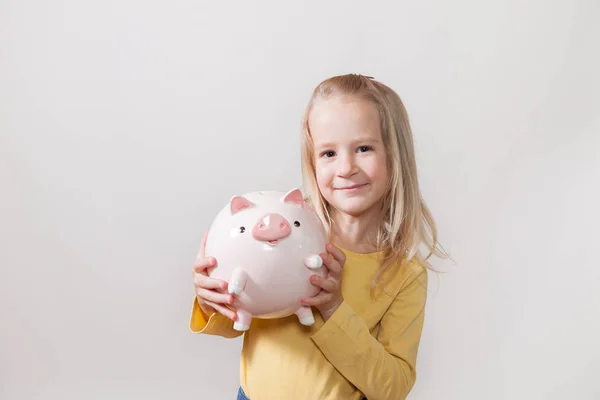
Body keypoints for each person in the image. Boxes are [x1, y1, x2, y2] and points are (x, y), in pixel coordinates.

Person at [190, 74, 448, 400]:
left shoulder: (404, 274)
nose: (346, 168)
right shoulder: (287, 232)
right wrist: (211, 298)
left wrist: (335, 308)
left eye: (364, 148)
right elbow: (234, 323)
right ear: (312, 162)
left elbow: (392, 387)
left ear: (394, 157)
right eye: (329, 154)